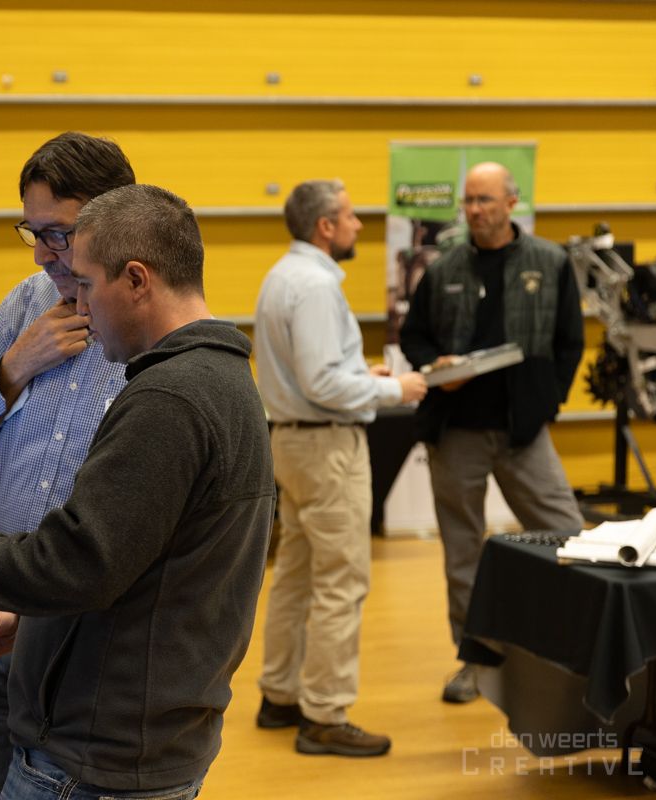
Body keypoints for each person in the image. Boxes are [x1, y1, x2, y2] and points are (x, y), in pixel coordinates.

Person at [0, 184, 275, 800]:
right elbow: (139, 571)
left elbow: (77, 562)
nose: (75, 303)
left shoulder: (169, 398)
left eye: (84, 284)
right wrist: (32, 624)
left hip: (95, 756)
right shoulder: (220, 378)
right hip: (129, 736)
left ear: (136, 280)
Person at [0, 131, 134, 798]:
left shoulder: (145, 328)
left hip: (87, 636)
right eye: (33, 232)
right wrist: (13, 367)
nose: (45, 253)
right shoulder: (25, 302)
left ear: (115, 223)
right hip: (2, 611)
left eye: (59, 234)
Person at [252, 179, 427, 758]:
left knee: (297, 573)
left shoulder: (283, 276)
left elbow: (312, 373)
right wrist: (397, 389)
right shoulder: (317, 285)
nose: (358, 225)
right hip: (327, 449)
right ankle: (325, 714)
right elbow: (323, 383)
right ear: (325, 226)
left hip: (291, 441)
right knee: (341, 581)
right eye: (350, 216)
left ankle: (280, 694)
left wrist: (361, 377)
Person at [399, 162, 585, 704]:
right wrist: (437, 364)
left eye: (484, 200)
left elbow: (570, 341)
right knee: (463, 554)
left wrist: (547, 402)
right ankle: (476, 662)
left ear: (511, 202)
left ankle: (576, 649)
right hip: (457, 431)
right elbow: (413, 336)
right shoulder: (444, 267)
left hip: (524, 433)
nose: (474, 210)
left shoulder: (550, 262)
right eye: (468, 200)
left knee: (568, 535)